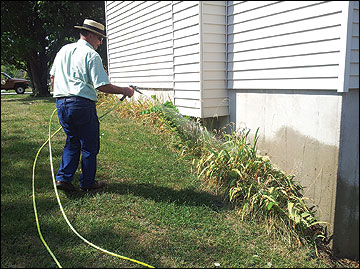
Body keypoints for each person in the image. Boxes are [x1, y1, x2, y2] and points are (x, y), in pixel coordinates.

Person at [50, 19, 134, 192]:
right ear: (89, 35)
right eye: (99, 38)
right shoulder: (91, 55)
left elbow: (53, 77)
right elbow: (101, 85)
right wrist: (125, 90)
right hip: (81, 104)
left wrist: (60, 94)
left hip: (61, 103)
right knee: (89, 145)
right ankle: (87, 183)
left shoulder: (64, 50)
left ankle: (63, 179)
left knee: (72, 141)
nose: (100, 42)